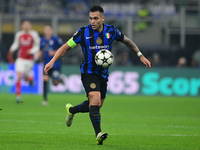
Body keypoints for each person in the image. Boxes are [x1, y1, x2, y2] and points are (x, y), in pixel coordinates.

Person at [44, 6, 151, 145]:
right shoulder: (83, 33)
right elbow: (65, 47)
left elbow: (128, 42)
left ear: (102, 18)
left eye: (95, 18)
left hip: (103, 74)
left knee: (96, 105)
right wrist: (52, 61)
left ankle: (71, 110)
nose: (92, 21)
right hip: (88, 72)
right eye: (90, 18)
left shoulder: (111, 31)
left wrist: (140, 55)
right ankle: (98, 134)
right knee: (94, 99)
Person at [8, 20, 40, 103]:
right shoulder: (19, 34)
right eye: (24, 25)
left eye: (27, 25)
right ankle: (18, 96)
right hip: (20, 58)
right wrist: (11, 50)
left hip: (30, 60)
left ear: (30, 26)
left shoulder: (34, 34)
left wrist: (32, 51)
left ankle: (30, 79)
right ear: (22, 26)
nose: (26, 26)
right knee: (19, 75)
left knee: (26, 78)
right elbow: (16, 44)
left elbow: (37, 46)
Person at [39, 24, 63, 106]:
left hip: (56, 64)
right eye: (46, 30)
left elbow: (63, 48)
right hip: (46, 64)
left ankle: (59, 79)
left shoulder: (56, 39)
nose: (47, 31)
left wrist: (54, 52)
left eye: (48, 30)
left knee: (55, 84)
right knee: (45, 80)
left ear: (51, 31)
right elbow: (40, 49)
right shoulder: (42, 40)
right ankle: (45, 100)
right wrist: (38, 54)